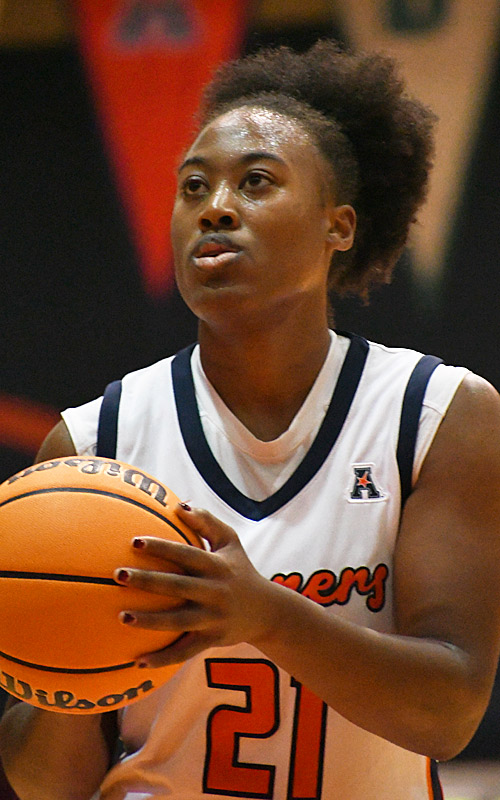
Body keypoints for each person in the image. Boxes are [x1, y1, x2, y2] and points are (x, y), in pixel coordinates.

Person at [2, 39, 500, 800]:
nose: (216, 208)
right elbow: (48, 785)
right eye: (193, 187)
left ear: (339, 226)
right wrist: (74, 663)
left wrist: (261, 614)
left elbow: (448, 711)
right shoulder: (93, 444)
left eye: (256, 181)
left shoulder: (435, 416)